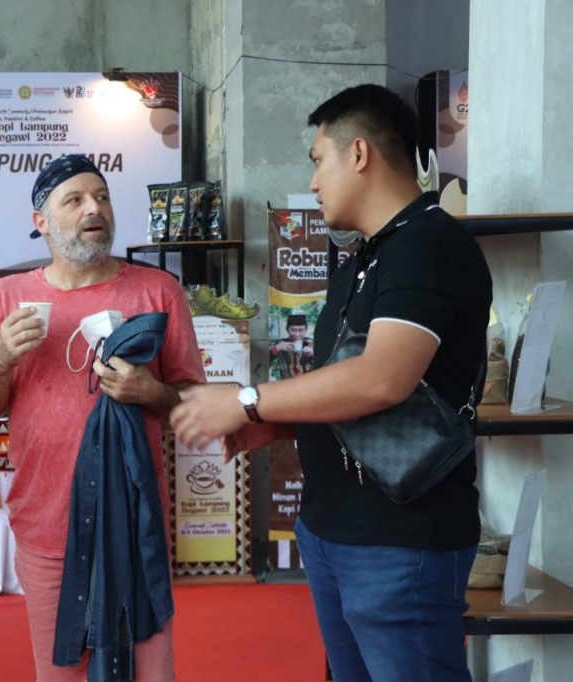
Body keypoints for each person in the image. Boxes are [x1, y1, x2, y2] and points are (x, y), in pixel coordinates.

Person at [171, 84, 492, 682]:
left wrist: (246, 400)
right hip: (331, 529)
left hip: (400, 541)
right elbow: (346, 386)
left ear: (359, 153)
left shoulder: (429, 245)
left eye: (319, 160)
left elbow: (382, 378)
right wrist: (274, 426)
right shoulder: (362, 258)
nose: (314, 181)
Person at [0, 154, 204, 681]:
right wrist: (2, 359)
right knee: (61, 673)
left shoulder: (157, 290)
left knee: (151, 674)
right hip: (46, 530)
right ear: (41, 222)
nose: (95, 208)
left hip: (136, 528)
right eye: (74, 200)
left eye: (102, 197)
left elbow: (194, 402)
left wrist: (149, 391)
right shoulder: (7, 297)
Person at [269, 309, 315, 379]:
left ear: (306, 330)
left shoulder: (312, 344)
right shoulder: (281, 344)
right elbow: (263, 361)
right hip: (286, 383)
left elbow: (325, 366)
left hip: (309, 383)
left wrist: (313, 355)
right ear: (287, 330)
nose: (297, 334)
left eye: (301, 330)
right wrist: (277, 348)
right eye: (293, 330)